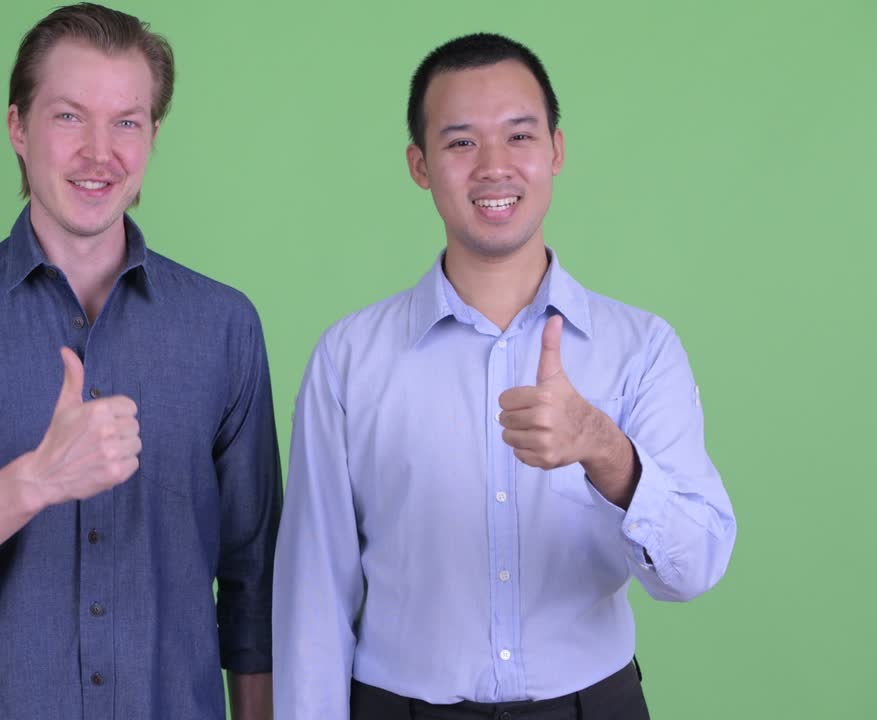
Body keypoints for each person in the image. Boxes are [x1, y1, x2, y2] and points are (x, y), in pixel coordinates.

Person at [0, 5, 280, 718]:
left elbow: (254, 582)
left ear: (154, 135)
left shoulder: (224, 328)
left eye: (127, 121)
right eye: (69, 116)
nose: (100, 153)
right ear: (18, 126)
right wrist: (30, 484)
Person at [273, 32, 736, 720]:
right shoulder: (350, 357)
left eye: (519, 136)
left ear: (556, 149)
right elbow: (314, 592)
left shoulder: (641, 347)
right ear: (420, 164)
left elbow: (693, 570)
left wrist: (606, 450)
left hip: (592, 706)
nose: (493, 167)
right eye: (460, 142)